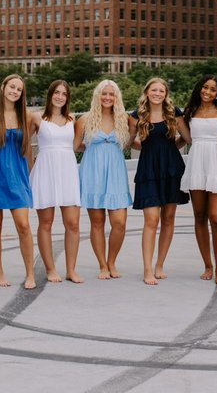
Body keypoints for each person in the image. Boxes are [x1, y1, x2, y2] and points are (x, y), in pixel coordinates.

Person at [0, 74, 39, 289]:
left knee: (24, 225)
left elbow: (29, 147)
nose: (15, 91)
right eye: (12, 87)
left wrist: (31, 175)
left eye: (19, 89)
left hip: (18, 176)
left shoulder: (28, 117)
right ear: (3, 87)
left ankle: (30, 273)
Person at [129, 77, 189, 286]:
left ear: (166, 94)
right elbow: (130, 142)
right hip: (148, 169)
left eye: (161, 90)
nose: (157, 93)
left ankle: (160, 265)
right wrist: (148, 149)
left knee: (169, 218)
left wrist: (171, 148)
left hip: (172, 168)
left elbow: (186, 138)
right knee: (151, 219)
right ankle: (147, 269)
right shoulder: (137, 116)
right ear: (147, 93)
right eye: (153, 90)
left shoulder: (174, 113)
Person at [178, 76, 217, 285]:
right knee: (200, 216)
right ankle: (208, 266)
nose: (208, 92)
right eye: (205, 87)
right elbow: (185, 139)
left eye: (213, 89)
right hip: (197, 165)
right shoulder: (189, 112)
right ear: (199, 88)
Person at [77, 79, 133, 279]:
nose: (108, 97)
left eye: (112, 94)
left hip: (116, 172)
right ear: (97, 96)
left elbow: (135, 142)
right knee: (97, 222)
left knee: (119, 223)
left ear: (117, 97)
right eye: (104, 93)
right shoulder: (85, 119)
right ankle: (102, 265)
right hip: (93, 172)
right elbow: (75, 146)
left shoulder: (125, 119)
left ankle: (112, 261)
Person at [30, 79, 84, 284]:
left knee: (73, 223)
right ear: (50, 94)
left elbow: (77, 145)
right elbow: (25, 144)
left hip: (68, 171)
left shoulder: (72, 119)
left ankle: (71, 269)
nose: (60, 96)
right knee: (46, 223)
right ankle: (50, 269)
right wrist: (30, 171)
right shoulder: (37, 118)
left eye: (64, 94)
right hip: (45, 170)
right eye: (57, 93)